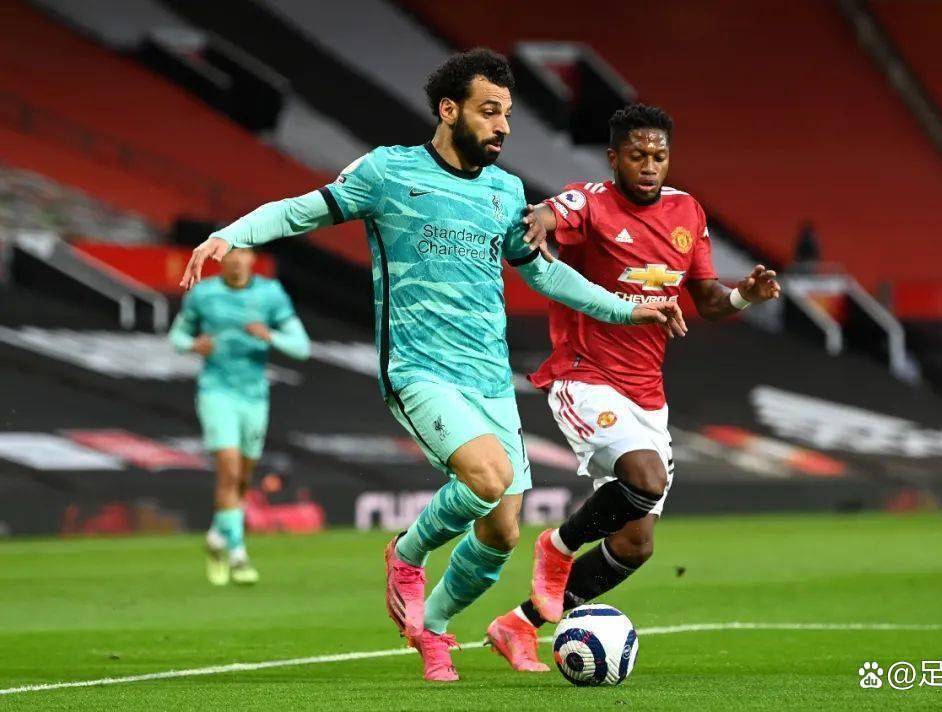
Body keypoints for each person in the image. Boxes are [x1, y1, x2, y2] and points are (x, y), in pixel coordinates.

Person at [177, 51, 684, 682]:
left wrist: (626, 309)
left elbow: (545, 273)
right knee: (488, 476)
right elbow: (301, 208)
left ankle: (434, 630)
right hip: (420, 369)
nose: (502, 126)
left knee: (502, 533)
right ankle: (407, 553)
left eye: (507, 114)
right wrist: (233, 235)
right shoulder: (388, 172)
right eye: (489, 111)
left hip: (489, 377)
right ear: (449, 110)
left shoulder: (505, 192)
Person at [482, 104, 782, 671]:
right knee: (646, 478)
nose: (649, 166)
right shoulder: (591, 202)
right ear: (614, 158)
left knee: (635, 544)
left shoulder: (686, 211)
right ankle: (557, 548)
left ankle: (518, 625)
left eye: (659, 156)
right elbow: (550, 212)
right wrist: (539, 222)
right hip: (585, 377)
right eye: (638, 155)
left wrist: (745, 295)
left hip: (648, 394)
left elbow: (709, 300)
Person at [169, 247, 310, 586]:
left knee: (243, 477)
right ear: (220, 260)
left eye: (241, 253)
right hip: (216, 391)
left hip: (254, 397)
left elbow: (302, 347)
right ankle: (237, 553)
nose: (235, 260)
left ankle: (217, 538)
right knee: (229, 470)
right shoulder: (203, 294)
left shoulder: (270, 293)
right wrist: (192, 345)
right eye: (228, 255)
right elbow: (177, 336)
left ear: (251, 258)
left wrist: (269, 335)